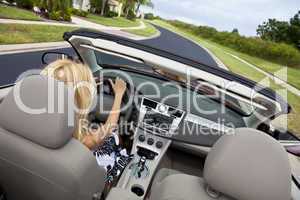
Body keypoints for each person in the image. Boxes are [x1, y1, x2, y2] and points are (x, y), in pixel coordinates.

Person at [41, 59, 132, 183]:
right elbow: (109, 127)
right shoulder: (77, 140)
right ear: (80, 98)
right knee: (114, 136)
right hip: (91, 172)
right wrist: (119, 95)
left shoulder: (37, 122)